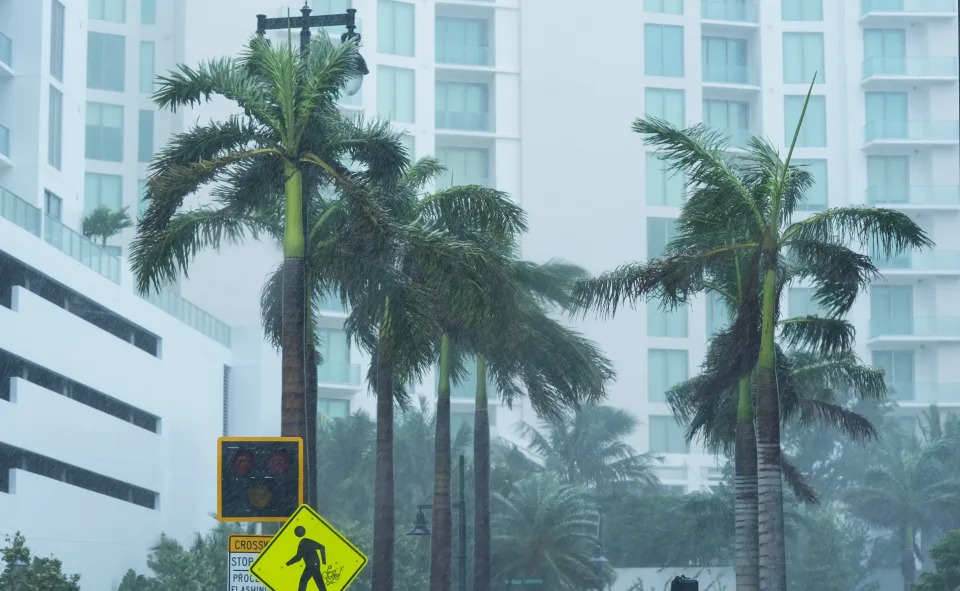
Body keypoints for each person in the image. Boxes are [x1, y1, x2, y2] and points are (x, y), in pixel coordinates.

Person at [286, 525, 328, 591]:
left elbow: (322, 547)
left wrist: (324, 561)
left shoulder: (305, 542)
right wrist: (288, 563)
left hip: (312, 566)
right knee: (319, 583)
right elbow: (299, 557)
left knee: (303, 581)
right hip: (312, 565)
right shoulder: (303, 542)